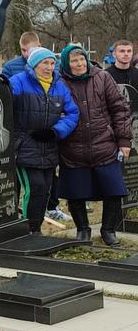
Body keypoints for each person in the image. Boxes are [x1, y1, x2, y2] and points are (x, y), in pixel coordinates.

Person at [57, 44, 131, 245]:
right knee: (76, 192)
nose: (79, 64)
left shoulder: (102, 77)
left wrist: (124, 140)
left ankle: (108, 230)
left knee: (113, 189)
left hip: (104, 144)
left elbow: (120, 109)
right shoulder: (59, 82)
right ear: (66, 63)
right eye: (74, 60)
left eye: (82, 59)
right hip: (72, 148)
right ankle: (83, 229)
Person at [7, 48, 79, 234]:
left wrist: (55, 132)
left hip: (48, 145)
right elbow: (4, 101)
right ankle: (28, 229)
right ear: (34, 64)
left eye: (52, 63)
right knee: (35, 187)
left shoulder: (59, 86)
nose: (49, 67)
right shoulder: (19, 81)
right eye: (44, 63)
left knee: (46, 189)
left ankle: (36, 229)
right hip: (24, 145)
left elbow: (72, 113)